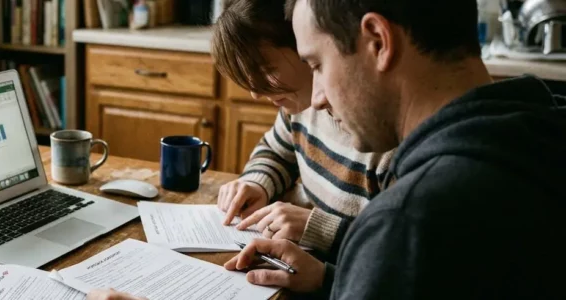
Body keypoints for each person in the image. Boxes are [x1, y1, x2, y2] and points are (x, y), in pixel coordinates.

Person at [225, 0, 566, 298]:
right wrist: (333, 280)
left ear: (378, 41)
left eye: (317, 65)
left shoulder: (406, 223)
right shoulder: (541, 136)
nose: (317, 98)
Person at [212, 0, 392, 260]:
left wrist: (318, 229)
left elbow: (390, 254)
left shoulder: (379, 133)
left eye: (266, 70)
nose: (255, 92)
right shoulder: (299, 108)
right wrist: (257, 183)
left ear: (305, 47)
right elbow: (275, 151)